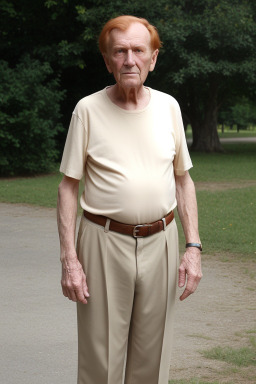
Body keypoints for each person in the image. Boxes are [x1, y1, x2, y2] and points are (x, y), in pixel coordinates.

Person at [57, 15, 202, 384]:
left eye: (139, 50)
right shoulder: (87, 110)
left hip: (163, 242)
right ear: (107, 61)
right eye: (119, 52)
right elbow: (68, 187)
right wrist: (69, 259)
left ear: (153, 58)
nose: (129, 60)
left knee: (152, 361)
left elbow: (183, 180)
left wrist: (193, 247)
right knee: (100, 360)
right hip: (103, 243)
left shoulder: (169, 107)